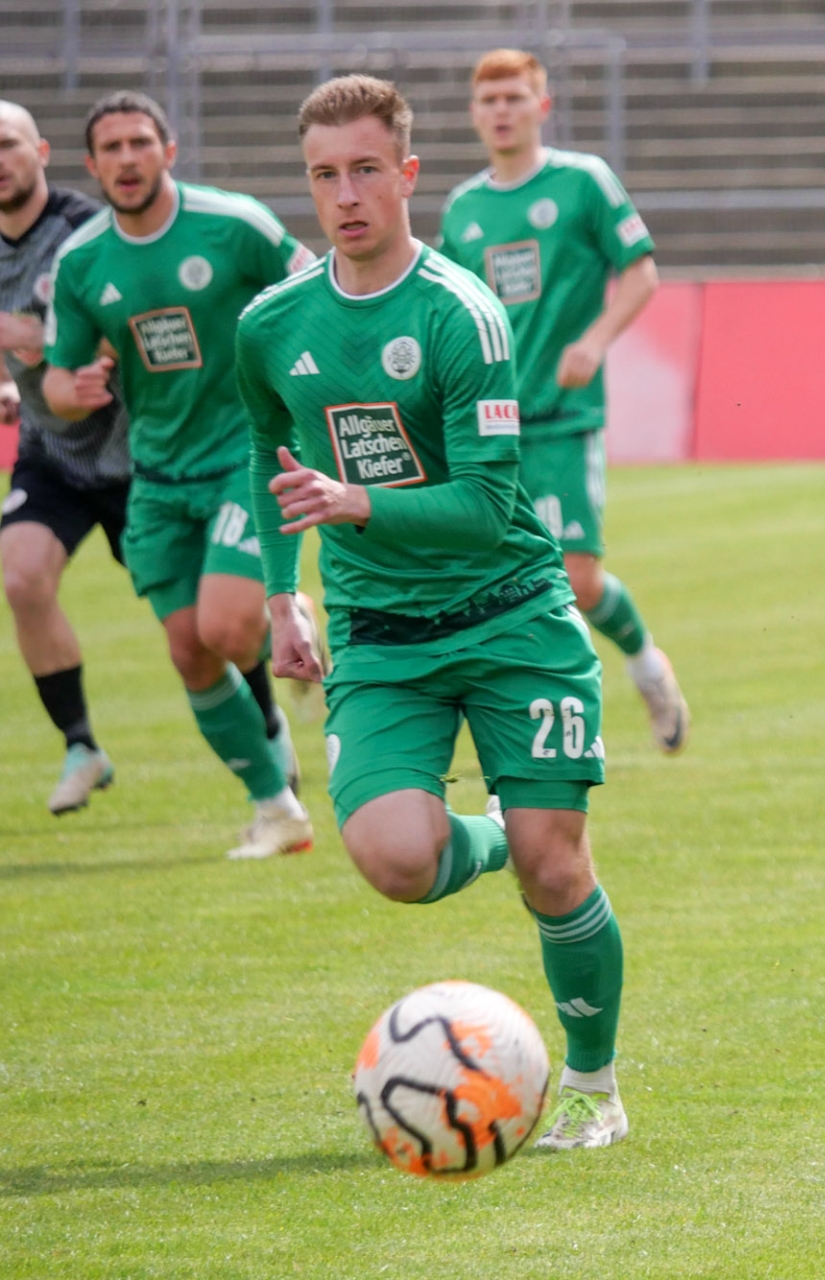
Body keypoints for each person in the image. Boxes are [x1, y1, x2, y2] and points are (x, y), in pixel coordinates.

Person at [238, 75, 628, 1149]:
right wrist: (282, 593)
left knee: (559, 866)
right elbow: (265, 452)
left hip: (511, 615)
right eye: (324, 175)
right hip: (381, 634)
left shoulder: (462, 312)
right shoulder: (271, 325)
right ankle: (494, 832)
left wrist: (356, 501)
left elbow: (487, 504)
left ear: (408, 174)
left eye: (366, 170)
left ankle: (592, 1086)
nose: (345, 195)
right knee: (395, 861)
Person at [42, 90, 318, 857]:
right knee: (189, 651)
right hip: (158, 475)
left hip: (248, 454)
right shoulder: (82, 262)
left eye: (140, 142)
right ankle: (278, 810)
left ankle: (278, 612)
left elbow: (317, 291)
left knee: (225, 627)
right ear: (92, 165)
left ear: (168, 150)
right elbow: (58, 378)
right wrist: (72, 390)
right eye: (111, 148)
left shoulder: (234, 224)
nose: (127, 159)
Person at [438, 48, 689, 753]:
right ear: (474, 114)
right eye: (490, 101)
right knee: (489, 586)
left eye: (515, 98)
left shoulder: (582, 183)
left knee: (578, 581)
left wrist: (595, 341)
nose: (502, 111)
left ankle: (646, 665)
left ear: (542, 107)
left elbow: (641, 272)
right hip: (489, 430)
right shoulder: (463, 209)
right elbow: (450, 314)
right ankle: (515, 734)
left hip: (564, 420)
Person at [0, 99, 132, 814]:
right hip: (50, 453)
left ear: (41, 152)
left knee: (200, 623)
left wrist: (23, 334)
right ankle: (82, 746)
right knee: (20, 575)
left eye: (8, 144)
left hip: (136, 452)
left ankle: (268, 734)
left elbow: (112, 331)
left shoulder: (86, 231)